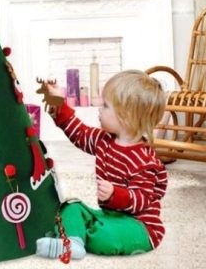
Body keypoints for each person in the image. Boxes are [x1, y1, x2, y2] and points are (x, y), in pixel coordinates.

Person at [36, 70, 168, 259]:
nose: (99, 107)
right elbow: (78, 132)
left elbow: (142, 199)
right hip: (109, 217)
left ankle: (76, 235)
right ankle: (71, 243)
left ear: (126, 116)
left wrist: (116, 194)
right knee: (70, 207)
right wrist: (58, 101)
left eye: (105, 106)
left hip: (138, 225)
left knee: (106, 236)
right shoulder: (103, 140)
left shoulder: (145, 161)